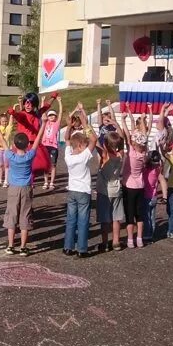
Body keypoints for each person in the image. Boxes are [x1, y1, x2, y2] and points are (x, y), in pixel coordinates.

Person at [0, 118, 47, 256]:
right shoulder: (30, 155)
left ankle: (11, 245)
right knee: (25, 216)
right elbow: (37, 141)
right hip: (26, 187)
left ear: (14, 144)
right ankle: (23, 247)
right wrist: (43, 125)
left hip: (13, 188)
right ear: (27, 145)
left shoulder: (11, 156)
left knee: (12, 216)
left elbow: (3, 141)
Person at [62, 107, 97, 258]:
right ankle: (82, 249)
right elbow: (94, 139)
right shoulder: (84, 156)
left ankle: (68, 247)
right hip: (83, 191)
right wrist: (84, 122)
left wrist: (69, 125)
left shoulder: (68, 155)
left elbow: (66, 139)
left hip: (72, 190)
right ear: (81, 146)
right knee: (83, 221)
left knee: (71, 219)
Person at [119, 110, 148, 248]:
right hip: (140, 185)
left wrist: (123, 120)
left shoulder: (131, 152)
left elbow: (126, 135)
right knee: (140, 214)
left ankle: (130, 239)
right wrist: (142, 120)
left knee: (129, 214)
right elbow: (143, 135)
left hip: (129, 185)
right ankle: (140, 238)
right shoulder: (144, 153)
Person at [95, 130, 125, 252]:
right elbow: (122, 143)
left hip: (104, 190)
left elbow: (96, 143)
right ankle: (116, 242)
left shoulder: (105, 156)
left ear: (106, 144)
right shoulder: (120, 155)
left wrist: (87, 125)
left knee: (105, 219)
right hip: (117, 189)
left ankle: (105, 242)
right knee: (116, 218)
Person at [41, 99, 63, 190]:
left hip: (53, 146)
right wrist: (42, 102)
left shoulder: (56, 124)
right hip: (45, 146)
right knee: (45, 165)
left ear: (56, 116)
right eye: (49, 115)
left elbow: (61, 113)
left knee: (53, 165)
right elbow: (42, 113)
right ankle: (46, 182)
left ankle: (52, 182)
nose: (51, 117)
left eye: (53, 115)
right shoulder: (45, 123)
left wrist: (59, 102)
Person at [142, 150, 162, 242]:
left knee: (146, 217)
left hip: (146, 196)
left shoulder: (146, 171)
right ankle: (152, 233)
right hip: (154, 196)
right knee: (152, 217)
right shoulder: (157, 170)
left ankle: (147, 235)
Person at [0, 112, 13, 188]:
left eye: (6, 121)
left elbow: (11, 120)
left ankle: (6, 181)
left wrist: (12, 112)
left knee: (7, 165)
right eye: (3, 121)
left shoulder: (9, 127)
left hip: (7, 149)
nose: (5, 123)